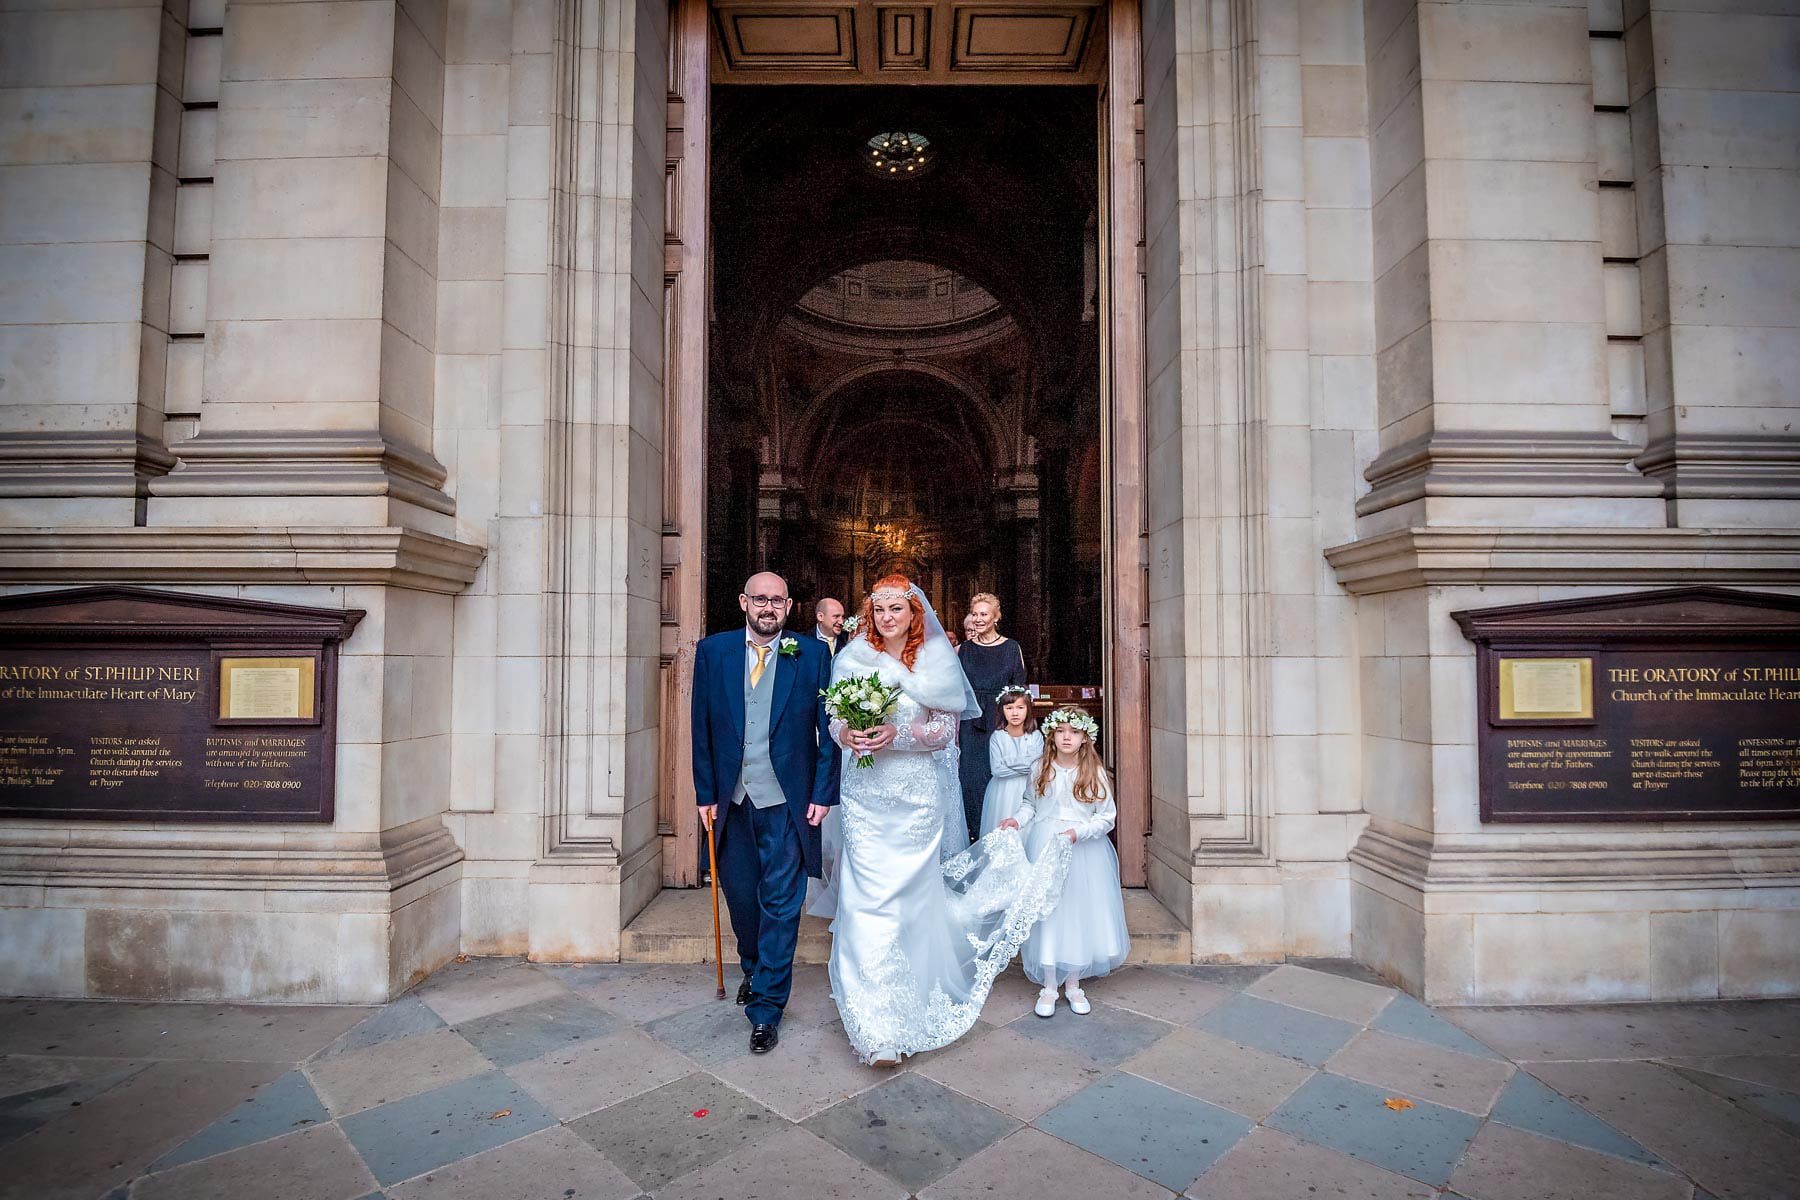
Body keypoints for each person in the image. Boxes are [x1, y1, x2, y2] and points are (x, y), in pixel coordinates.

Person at [825, 575, 1071, 1066]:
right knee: (866, 900)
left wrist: (897, 733)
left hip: (916, 801)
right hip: (865, 797)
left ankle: (910, 998)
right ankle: (874, 1023)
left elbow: (942, 730)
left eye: (897, 609)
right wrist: (847, 735)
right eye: (879, 610)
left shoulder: (936, 660)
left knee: (913, 900)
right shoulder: (851, 659)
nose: (887, 618)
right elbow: (834, 719)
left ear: (914, 614)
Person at [691, 571, 839, 1055]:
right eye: (760, 599)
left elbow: (827, 733)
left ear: (790, 606)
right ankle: (752, 966)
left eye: (777, 600)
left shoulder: (812, 655)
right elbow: (701, 729)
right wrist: (704, 793)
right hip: (732, 800)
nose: (768, 608)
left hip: (786, 804)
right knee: (742, 901)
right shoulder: (714, 653)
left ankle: (767, 1008)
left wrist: (822, 793)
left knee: (781, 906)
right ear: (743, 602)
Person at [1001, 707, 1130, 1018]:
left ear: (1085, 737)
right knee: (1049, 913)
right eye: (1061, 731)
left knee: (1076, 912)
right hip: (1046, 843)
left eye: (1073, 731)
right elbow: (1030, 805)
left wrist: (1078, 832)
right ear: (1052, 736)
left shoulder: (1093, 773)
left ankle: (1073, 982)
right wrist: (1017, 822)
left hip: (1082, 851)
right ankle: (1048, 983)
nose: (1067, 737)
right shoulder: (1040, 768)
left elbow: (1106, 818)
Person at [956, 592, 1026, 840]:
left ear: (996, 617)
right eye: (974, 614)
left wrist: (1015, 725)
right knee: (971, 782)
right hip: (970, 725)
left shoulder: (1011, 648)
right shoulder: (964, 649)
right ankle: (975, 837)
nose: (977, 619)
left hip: (1001, 723)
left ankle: (1003, 839)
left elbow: (1020, 690)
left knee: (1002, 780)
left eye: (983, 614)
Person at [979, 685, 1042, 838]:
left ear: (1028, 709)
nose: (1015, 713)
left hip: (1028, 786)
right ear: (1002, 710)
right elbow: (997, 770)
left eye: (1020, 707)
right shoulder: (997, 737)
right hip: (1002, 790)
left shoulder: (1036, 736)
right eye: (1009, 708)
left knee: (1027, 828)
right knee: (1003, 828)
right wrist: (1025, 762)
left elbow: (1035, 767)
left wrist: (1008, 761)